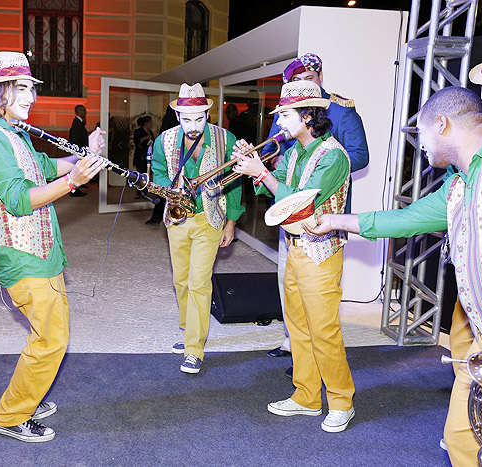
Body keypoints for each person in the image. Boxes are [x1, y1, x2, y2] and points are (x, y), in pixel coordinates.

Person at [303, 85, 482, 465]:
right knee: (464, 438)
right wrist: (331, 220)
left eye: (422, 135)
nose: (422, 147)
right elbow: (403, 219)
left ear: (442, 124)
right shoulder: (460, 180)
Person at [0, 51, 107, 442]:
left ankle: (29, 395)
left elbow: (43, 168)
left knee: (48, 333)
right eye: (22, 89)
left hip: (41, 252)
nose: (31, 97)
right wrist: (74, 181)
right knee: (51, 339)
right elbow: (16, 199)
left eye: (31, 89)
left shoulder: (12, 132)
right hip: (23, 257)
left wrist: (81, 158)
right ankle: (12, 416)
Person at [233, 80, 355, 433]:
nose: (279, 123)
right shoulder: (293, 153)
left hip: (321, 254)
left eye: (284, 115)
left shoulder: (332, 156)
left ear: (307, 116)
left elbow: (299, 203)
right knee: (298, 328)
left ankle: (341, 401)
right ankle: (305, 396)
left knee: (324, 332)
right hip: (294, 250)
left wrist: (263, 172)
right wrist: (252, 169)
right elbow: (271, 191)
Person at [264, 53, 370, 363]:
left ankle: (311, 349)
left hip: (321, 204)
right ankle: (292, 341)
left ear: (319, 76)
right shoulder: (286, 110)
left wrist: (321, 159)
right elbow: (275, 145)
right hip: (288, 204)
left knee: (317, 290)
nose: (302, 85)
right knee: (290, 280)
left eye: (307, 78)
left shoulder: (341, 109)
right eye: (295, 81)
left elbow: (359, 155)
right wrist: (272, 161)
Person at [151, 83, 245, 374]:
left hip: (210, 218)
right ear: (178, 116)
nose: (193, 125)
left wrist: (231, 222)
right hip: (177, 219)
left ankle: (195, 348)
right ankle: (187, 327)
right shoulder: (163, 141)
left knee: (198, 282)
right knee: (181, 280)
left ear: (208, 113)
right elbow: (156, 173)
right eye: (187, 119)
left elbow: (235, 182)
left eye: (199, 118)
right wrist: (170, 191)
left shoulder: (225, 138)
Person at [145, 105, 178, 226]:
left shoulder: (166, 128)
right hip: (173, 163)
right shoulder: (173, 128)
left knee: (165, 190)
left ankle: (157, 217)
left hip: (169, 164)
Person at [68, 104, 88, 197]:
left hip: (79, 150)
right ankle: (75, 191)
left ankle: (77, 188)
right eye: (83, 110)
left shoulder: (79, 122)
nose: (85, 112)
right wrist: (79, 152)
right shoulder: (76, 123)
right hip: (78, 151)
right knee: (76, 170)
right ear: (79, 111)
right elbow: (76, 139)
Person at [132, 115, 154, 198]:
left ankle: (145, 192)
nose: (151, 124)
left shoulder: (150, 132)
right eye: (150, 123)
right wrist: (146, 138)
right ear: (146, 123)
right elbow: (136, 142)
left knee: (147, 174)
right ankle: (139, 193)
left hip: (147, 156)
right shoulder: (138, 131)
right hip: (140, 155)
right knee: (139, 173)